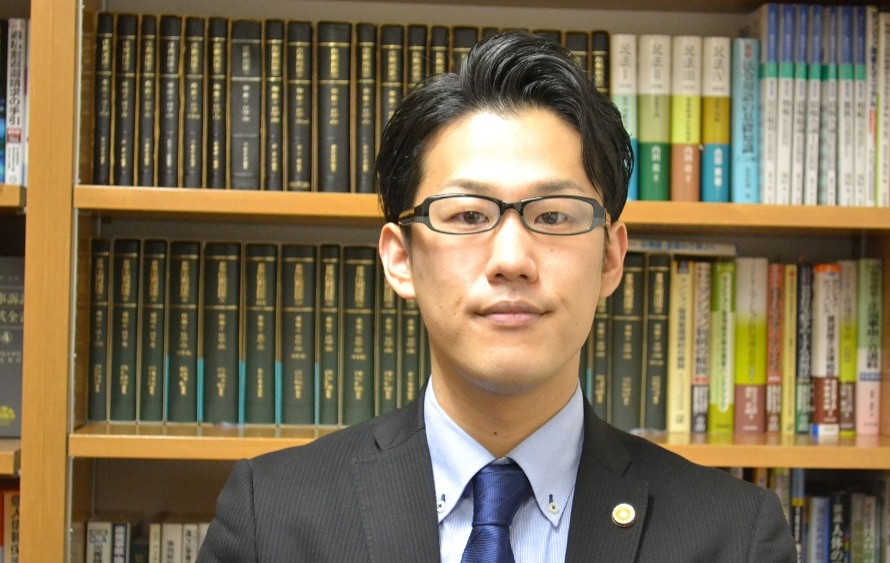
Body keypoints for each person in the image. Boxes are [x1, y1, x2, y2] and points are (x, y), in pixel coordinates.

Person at [197, 31, 797, 563]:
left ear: (611, 258)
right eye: (468, 215)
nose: (512, 260)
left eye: (554, 215)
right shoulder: (270, 515)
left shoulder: (734, 536)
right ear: (400, 259)